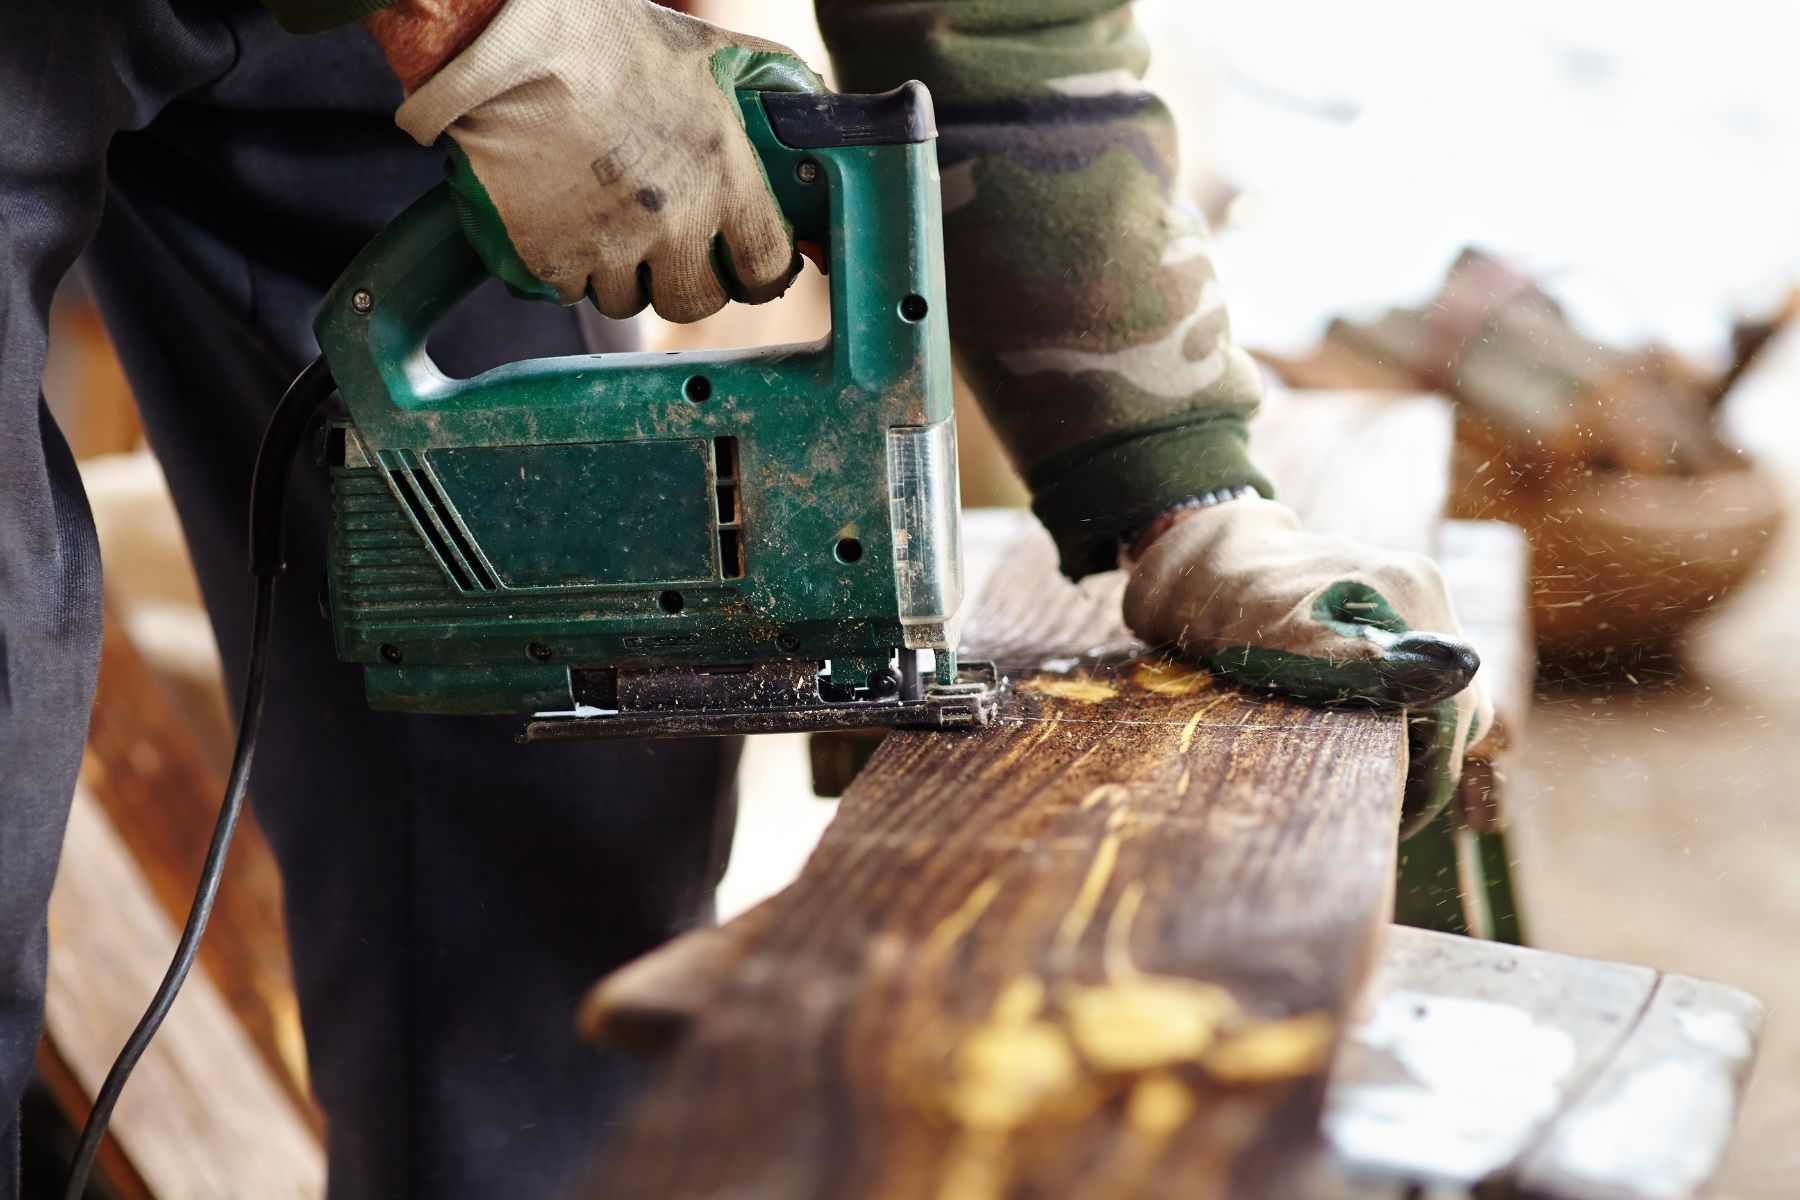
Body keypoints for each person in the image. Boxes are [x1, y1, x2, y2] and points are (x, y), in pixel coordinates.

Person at [0, 0, 1488, 1194]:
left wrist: (1186, 493)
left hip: (365, 65)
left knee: (539, 785)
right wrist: (470, 22)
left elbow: (1002, 37)